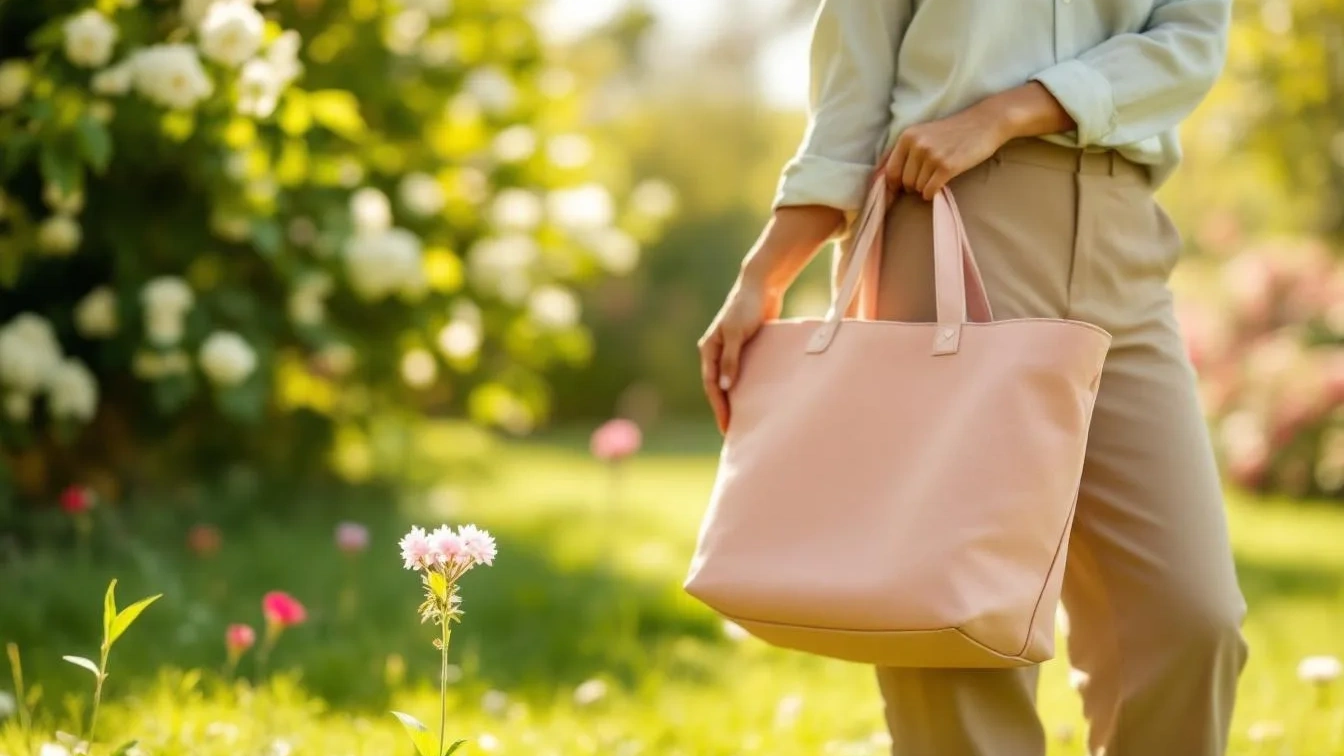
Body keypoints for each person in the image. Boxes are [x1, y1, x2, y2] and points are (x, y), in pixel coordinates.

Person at [696, 1, 1248, 754]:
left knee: (1189, 620)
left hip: (1125, 240)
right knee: (948, 631)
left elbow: (1191, 38)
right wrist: (762, 274)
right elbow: (851, 93)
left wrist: (1009, 111)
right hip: (947, 223)